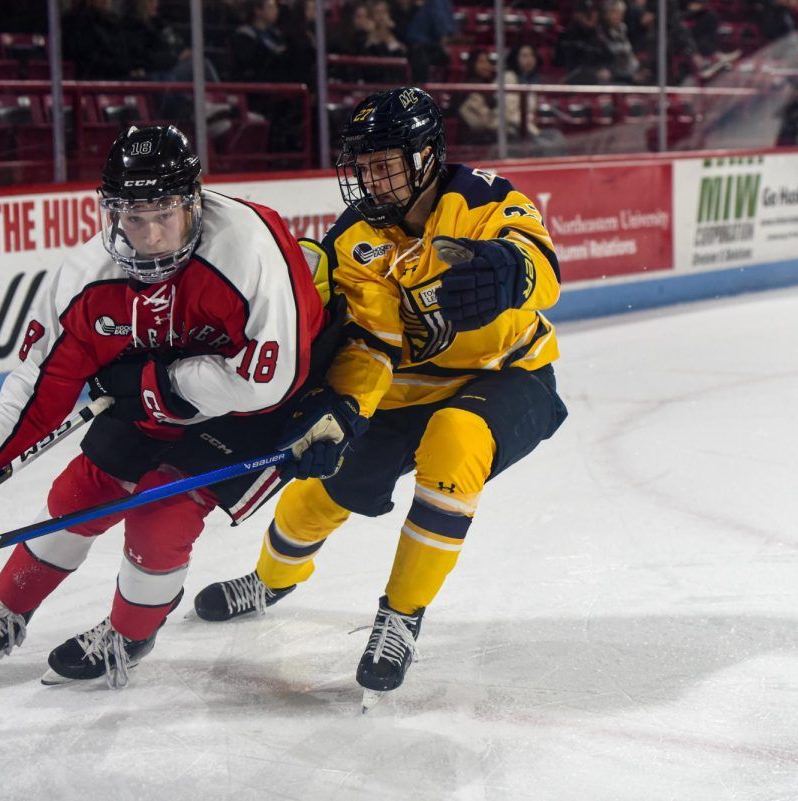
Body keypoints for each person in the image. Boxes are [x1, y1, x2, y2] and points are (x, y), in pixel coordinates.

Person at [193, 87, 568, 707]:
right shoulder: (356, 238)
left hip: (508, 376)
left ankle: (400, 617)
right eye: (363, 163)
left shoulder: (486, 198)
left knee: (456, 442)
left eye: (384, 160)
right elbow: (372, 343)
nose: (370, 175)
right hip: (402, 389)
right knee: (316, 499)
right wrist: (343, 410)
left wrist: (507, 270)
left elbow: (544, 270)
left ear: (426, 154)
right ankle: (268, 581)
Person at [0, 125, 329, 688]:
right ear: (111, 210)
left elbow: (270, 379)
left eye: (165, 213)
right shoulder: (89, 278)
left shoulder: (248, 247)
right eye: (134, 217)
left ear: (193, 201)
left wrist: (158, 384)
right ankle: (8, 610)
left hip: (256, 414)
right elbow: (37, 389)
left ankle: (130, 634)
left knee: (158, 515)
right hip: (160, 397)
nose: (152, 235)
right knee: (78, 494)